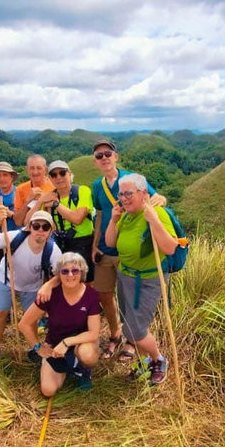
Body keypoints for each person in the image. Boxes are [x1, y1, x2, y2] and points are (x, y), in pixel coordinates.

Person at [90, 139, 166, 361]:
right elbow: (101, 215)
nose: (104, 158)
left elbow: (154, 198)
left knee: (130, 298)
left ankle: (132, 340)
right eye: (98, 155)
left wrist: (161, 198)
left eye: (107, 154)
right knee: (105, 294)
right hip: (106, 247)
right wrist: (95, 243)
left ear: (116, 156)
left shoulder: (130, 180)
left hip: (129, 252)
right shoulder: (97, 186)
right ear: (95, 161)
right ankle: (115, 333)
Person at [104, 173, 177, 385]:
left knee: (134, 330)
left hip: (148, 280)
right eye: (121, 194)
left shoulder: (157, 214)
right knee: (130, 322)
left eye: (128, 193)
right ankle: (144, 360)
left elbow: (170, 248)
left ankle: (157, 359)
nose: (124, 198)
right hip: (125, 276)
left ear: (143, 193)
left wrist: (153, 220)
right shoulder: (126, 215)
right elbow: (110, 242)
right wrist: (113, 219)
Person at [0, 207, 62, 362]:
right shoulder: (15, 237)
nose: (40, 230)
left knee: (30, 318)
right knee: (0, 313)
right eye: (36, 226)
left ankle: (32, 349)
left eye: (45, 227)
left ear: (51, 230)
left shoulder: (53, 250)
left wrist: (48, 285)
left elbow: (61, 274)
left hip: (32, 286)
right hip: (6, 281)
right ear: (29, 227)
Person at [19, 252, 100, 395]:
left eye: (75, 270)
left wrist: (66, 342)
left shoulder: (91, 295)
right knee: (48, 391)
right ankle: (69, 367)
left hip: (81, 343)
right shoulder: (49, 295)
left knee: (87, 355)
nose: (70, 275)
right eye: (65, 271)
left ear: (82, 273)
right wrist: (38, 347)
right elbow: (24, 324)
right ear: (58, 275)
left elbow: (93, 333)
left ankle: (83, 371)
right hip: (54, 348)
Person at [25, 160, 94, 282]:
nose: (59, 177)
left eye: (62, 173)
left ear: (69, 174)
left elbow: (77, 218)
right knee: (60, 281)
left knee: (84, 281)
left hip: (82, 243)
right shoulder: (48, 196)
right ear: (50, 179)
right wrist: (40, 201)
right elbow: (27, 222)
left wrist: (56, 204)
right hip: (60, 244)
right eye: (54, 175)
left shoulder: (82, 191)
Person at [13, 155, 55, 227]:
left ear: (45, 169)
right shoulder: (21, 189)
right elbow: (18, 222)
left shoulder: (54, 187)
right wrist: (28, 200)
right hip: (28, 230)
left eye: (39, 168)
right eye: (32, 168)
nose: (35, 172)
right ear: (27, 169)